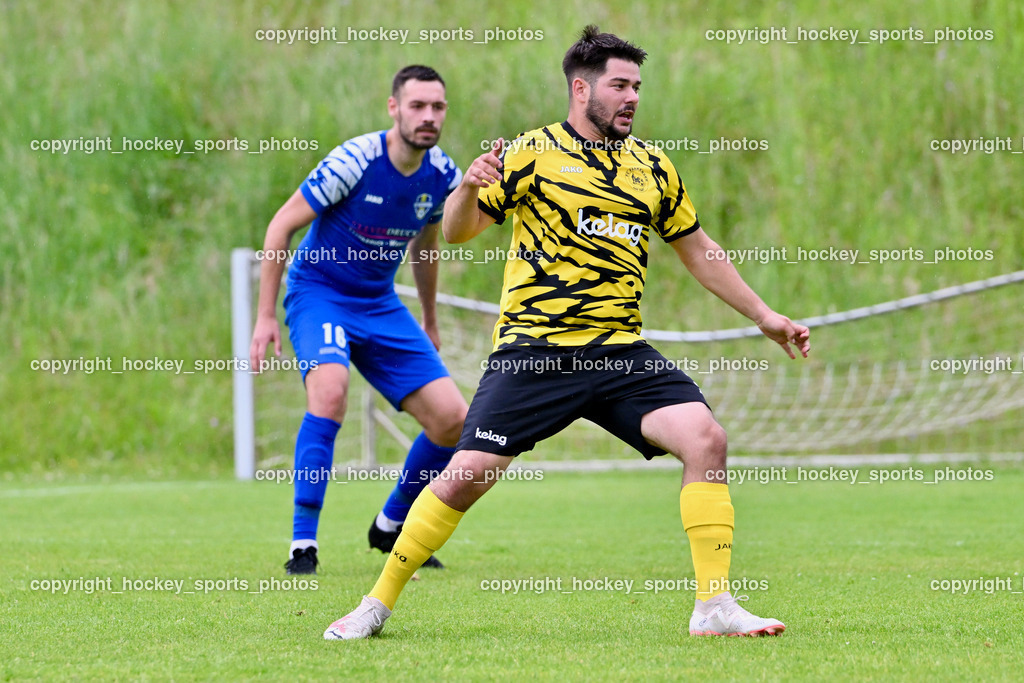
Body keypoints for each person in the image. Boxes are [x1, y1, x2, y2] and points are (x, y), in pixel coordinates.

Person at [324, 26, 809, 639]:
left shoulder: (652, 166)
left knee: (706, 439)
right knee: (465, 475)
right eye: (619, 85)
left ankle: (714, 606)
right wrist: (469, 187)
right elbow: (457, 231)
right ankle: (375, 604)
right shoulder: (532, 152)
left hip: (619, 353)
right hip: (536, 353)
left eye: (637, 86)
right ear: (582, 89)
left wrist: (765, 316)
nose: (632, 96)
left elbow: (698, 249)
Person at [249, 65, 468, 575]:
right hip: (319, 294)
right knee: (329, 393)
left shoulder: (442, 176)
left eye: (438, 107)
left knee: (452, 420)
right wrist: (265, 317)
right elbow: (280, 226)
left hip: (380, 302)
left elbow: (427, 248)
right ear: (394, 107)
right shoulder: (354, 160)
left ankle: (390, 524)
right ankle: (303, 542)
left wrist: (429, 318)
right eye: (417, 106)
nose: (429, 116)